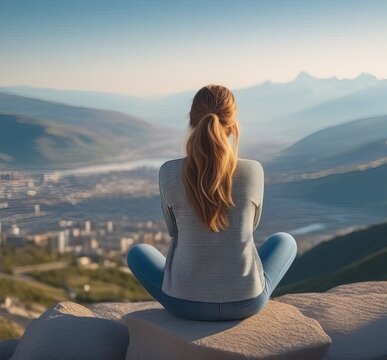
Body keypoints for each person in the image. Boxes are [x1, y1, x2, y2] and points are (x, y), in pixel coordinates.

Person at [127, 84, 297, 321]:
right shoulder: (253, 171)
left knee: (138, 252)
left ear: (191, 120)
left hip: (183, 304)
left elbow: (173, 230)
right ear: (233, 123)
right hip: (246, 303)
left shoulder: (169, 172)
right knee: (285, 241)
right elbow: (250, 228)